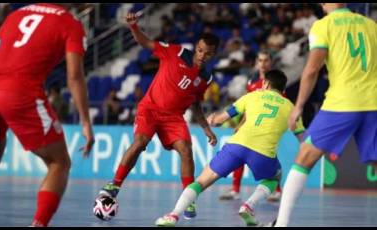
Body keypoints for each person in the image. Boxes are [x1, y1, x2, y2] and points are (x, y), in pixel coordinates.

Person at [0, 3, 95, 227]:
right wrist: (86, 122)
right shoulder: (71, 23)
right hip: (20, 91)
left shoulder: (17, 14)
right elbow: (74, 76)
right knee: (59, 162)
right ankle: (39, 224)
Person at [95, 12, 219, 220]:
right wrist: (134, 27)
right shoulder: (176, 53)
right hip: (150, 109)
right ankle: (114, 185)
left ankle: (187, 199)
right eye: (199, 50)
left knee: (186, 151)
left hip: (173, 118)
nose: (201, 55)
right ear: (195, 47)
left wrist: (206, 129)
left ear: (213, 55)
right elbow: (147, 43)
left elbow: (196, 104)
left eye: (207, 54)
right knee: (139, 143)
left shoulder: (206, 77)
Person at [271, 3, 377, 227]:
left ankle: (281, 224)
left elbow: (311, 70)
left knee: (304, 156)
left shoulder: (323, 26)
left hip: (343, 103)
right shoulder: (371, 25)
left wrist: (298, 106)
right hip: (374, 103)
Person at [155, 69, 305, 227]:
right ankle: (249, 205)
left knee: (201, 181)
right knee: (274, 177)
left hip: (236, 146)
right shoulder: (290, 107)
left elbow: (221, 118)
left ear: (266, 83)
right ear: (283, 90)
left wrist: (212, 119)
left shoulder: (251, 96)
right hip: (263, 153)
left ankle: (173, 215)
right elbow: (301, 136)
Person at [219, 50, 284, 202]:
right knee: (240, 155)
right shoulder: (252, 83)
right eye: (260, 60)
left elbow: (281, 105)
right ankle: (235, 190)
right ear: (256, 62)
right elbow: (248, 107)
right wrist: (241, 124)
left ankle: (277, 190)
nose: (263, 64)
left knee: (270, 156)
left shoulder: (277, 83)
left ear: (270, 62)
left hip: (268, 128)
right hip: (250, 126)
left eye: (266, 60)